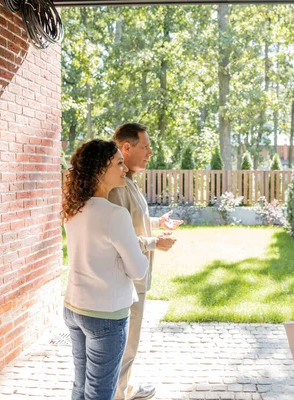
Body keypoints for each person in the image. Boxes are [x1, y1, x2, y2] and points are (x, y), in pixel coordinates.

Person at [62, 139, 149, 400]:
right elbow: (138, 270)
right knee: (100, 393)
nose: (124, 168)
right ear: (100, 170)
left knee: (80, 386)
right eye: (118, 163)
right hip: (106, 316)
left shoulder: (73, 208)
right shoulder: (115, 214)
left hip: (74, 308)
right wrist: (128, 256)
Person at [109, 122, 182, 400]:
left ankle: (125, 388)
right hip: (128, 278)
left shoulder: (128, 181)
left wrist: (156, 222)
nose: (150, 152)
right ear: (126, 148)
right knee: (125, 345)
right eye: (145, 146)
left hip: (137, 276)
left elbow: (132, 222)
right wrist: (156, 243)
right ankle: (118, 394)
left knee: (130, 343)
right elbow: (118, 237)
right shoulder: (116, 186)